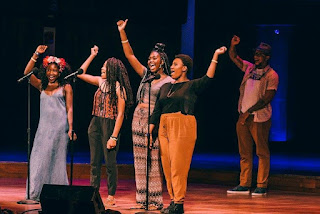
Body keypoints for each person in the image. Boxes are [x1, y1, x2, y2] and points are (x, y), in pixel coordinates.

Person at [149, 47, 227, 214]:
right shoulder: (166, 86)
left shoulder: (192, 85)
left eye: (175, 64)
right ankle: (173, 200)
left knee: (178, 165)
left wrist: (215, 55)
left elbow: (208, 78)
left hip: (182, 124)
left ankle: (179, 202)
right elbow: (157, 109)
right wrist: (151, 131)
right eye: (172, 65)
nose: (171, 67)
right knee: (167, 166)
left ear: (184, 68)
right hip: (164, 125)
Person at [117, 19, 173, 210]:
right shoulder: (145, 76)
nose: (150, 61)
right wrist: (122, 32)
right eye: (149, 58)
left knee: (154, 161)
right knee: (140, 162)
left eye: (154, 58)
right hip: (137, 121)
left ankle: (155, 199)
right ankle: (142, 199)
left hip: (154, 122)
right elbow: (130, 55)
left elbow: (164, 106)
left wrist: (155, 125)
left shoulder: (168, 81)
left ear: (163, 62)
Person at [77, 45, 134, 206]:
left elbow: (121, 114)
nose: (102, 69)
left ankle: (111, 194)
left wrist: (114, 136)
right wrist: (92, 56)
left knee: (110, 163)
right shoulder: (100, 81)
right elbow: (80, 73)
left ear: (113, 70)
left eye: (105, 67)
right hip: (95, 122)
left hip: (110, 124)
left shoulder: (119, 88)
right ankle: (93, 192)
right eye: (102, 66)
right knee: (94, 162)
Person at [22, 45, 76, 201]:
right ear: (45, 70)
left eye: (55, 70)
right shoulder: (42, 85)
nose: (51, 73)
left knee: (56, 161)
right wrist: (36, 54)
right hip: (43, 129)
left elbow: (70, 109)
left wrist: (71, 128)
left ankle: (56, 195)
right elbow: (26, 73)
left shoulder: (66, 87)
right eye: (49, 70)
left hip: (60, 128)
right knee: (38, 159)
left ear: (60, 71)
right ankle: (35, 193)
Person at [227, 35, 279, 196]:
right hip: (244, 116)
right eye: (255, 54)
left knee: (262, 152)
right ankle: (244, 184)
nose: (256, 57)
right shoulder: (249, 69)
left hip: (259, 117)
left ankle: (261, 184)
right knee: (244, 152)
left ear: (267, 57)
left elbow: (266, 99)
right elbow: (234, 57)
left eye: (259, 55)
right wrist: (233, 45)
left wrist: (248, 112)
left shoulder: (272, 75)